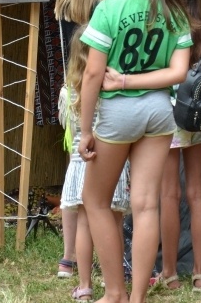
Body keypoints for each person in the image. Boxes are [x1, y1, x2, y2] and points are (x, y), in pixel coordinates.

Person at [78, 0, 192, 303]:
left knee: (95, 201)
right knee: (146, 205)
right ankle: (139, 297)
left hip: (119, 113)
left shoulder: (110, 8)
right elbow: (178, 73)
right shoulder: (174, 9)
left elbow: (93, 75)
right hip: (160, 112)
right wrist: (137, 80)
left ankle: (115, 294)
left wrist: (85, 129)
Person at [52, 0, 119, 280]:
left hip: (71, 90)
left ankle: (69, 257)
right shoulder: (106, 5)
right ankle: (97, 251)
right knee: (96, 183)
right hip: (96, 91)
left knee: (74, 174)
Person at [152, 0, 201, 292]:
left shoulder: (165, 30)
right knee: (196, 193)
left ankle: (169, 272)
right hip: (199, 120)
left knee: (169, 194)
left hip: (168, 117)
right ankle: (200, 273)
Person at [58, 25, 130, 302]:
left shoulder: (68, 91)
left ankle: (85, 285)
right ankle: (118, 282)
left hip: (80, 162)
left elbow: (68, 126)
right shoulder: (114, 87)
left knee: (85, 224)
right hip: (113, 161)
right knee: (115, 222)